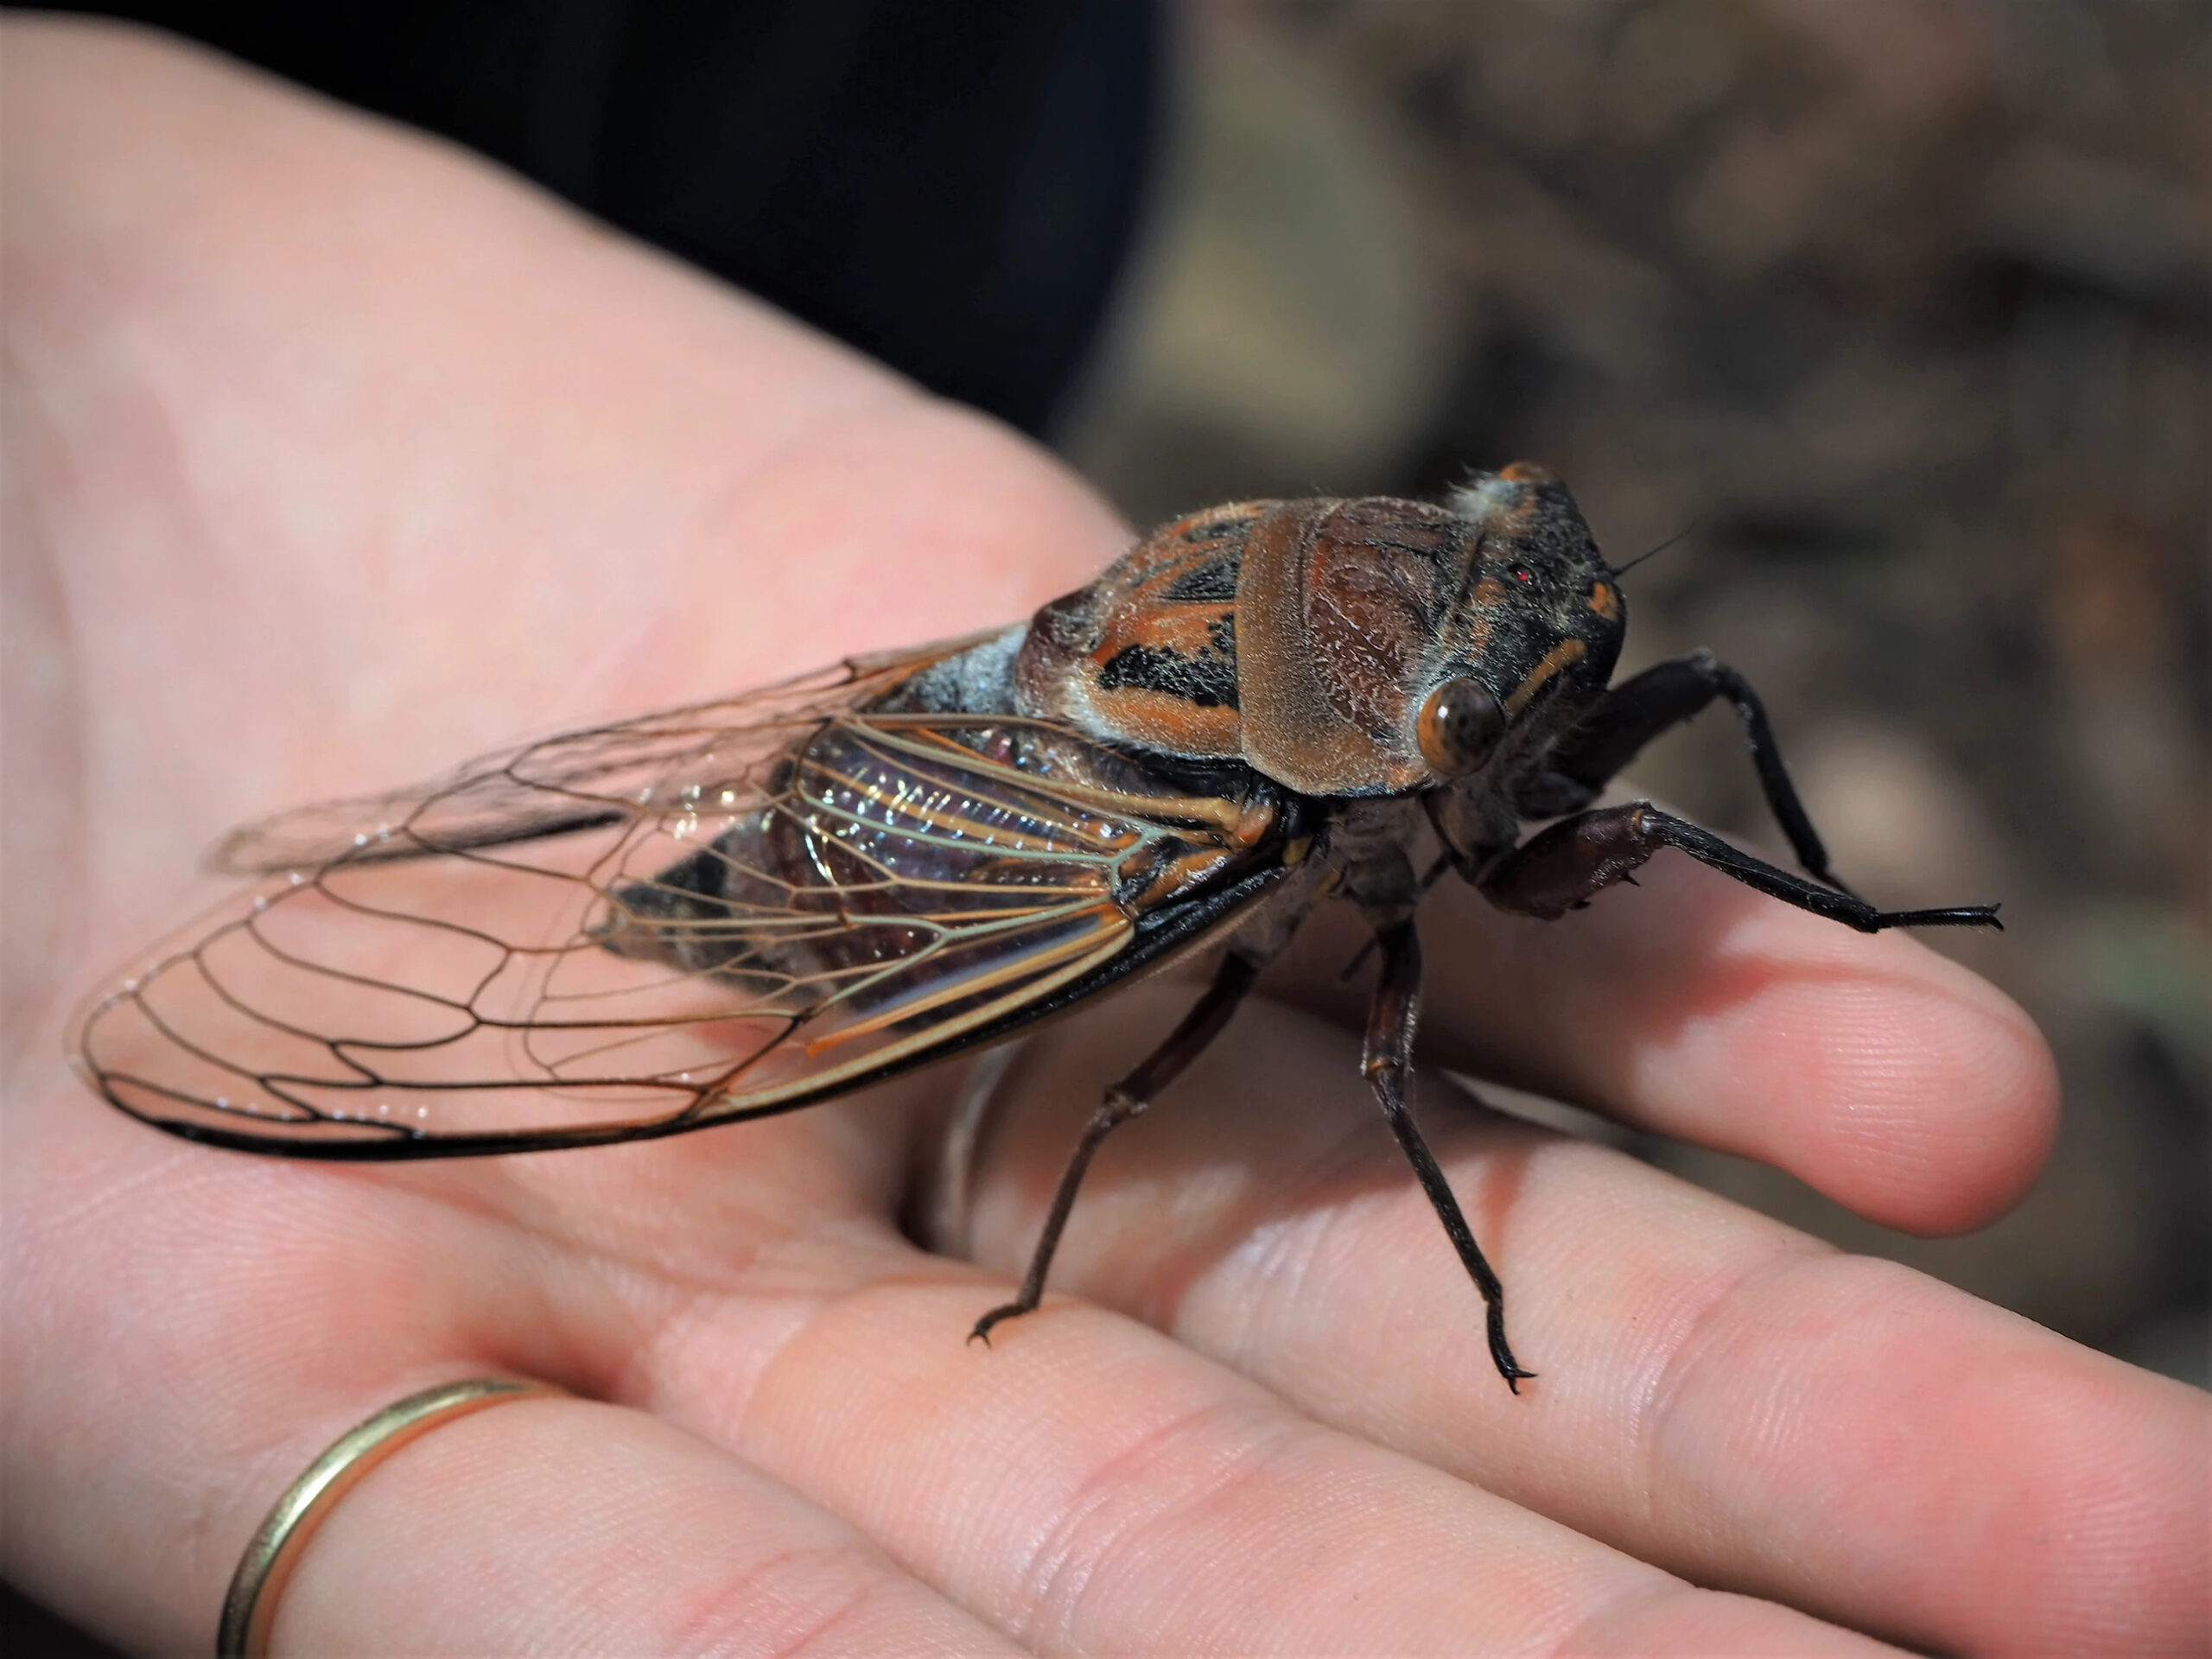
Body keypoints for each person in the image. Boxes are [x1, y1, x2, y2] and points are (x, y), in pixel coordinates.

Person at [5, 19, 2202, 1656]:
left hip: (873, 117)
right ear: (1385, 710)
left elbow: (1598, 710)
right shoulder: (1239, 829)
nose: (1546, 700)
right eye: (1472, 717)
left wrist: (1824, 900)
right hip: (910, 870)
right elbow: (1305, 1058)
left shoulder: (1409, 629)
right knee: (1233, 1042)